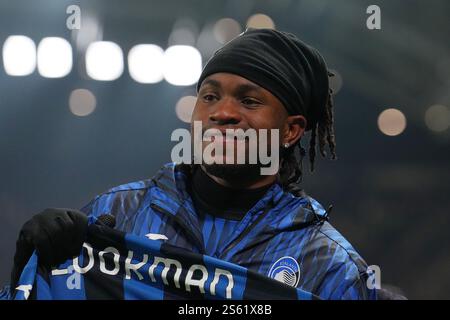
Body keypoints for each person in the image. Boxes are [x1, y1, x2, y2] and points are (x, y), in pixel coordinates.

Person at [6, 28, 377, 300]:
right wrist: (29, 268)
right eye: (209, 95)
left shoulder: (327, 265)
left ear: (291, 130)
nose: (223, 113)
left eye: (249, 101)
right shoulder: (115, 214)